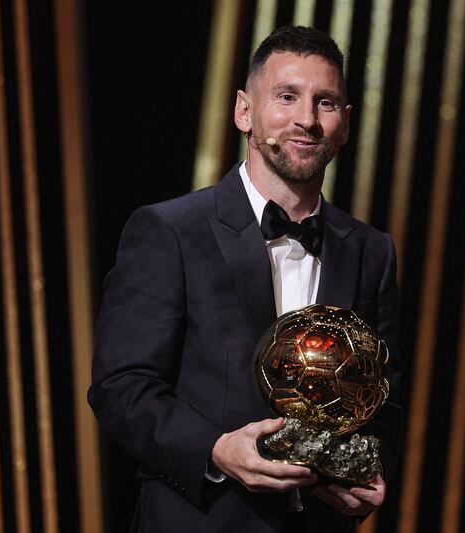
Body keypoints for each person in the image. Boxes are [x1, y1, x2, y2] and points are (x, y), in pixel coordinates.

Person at [88, 26, 403, 533]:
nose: (306, 119)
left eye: (325, 103)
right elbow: (121, 388)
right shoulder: (169, 230)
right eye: (286, 96)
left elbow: (384, 401)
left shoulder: (371, 250)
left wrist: (372, 472)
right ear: (243, 111)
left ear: (345, 124)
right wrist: (216, 449)